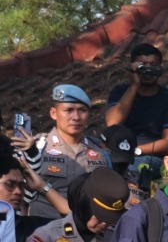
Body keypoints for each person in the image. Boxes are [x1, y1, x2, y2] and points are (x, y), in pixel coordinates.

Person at [16, 84, 111, 218]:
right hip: (42, 229)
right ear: (53, 113)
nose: (76, 117)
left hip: (85, 229)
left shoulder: (101, 153)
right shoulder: (36, 148)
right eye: (69, 110)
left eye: (82, 110)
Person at [104, 44, 168, 161]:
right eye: (143, 66)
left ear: (160, 68)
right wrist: (134, 85)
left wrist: (136, 150)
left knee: (133, 165)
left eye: (153, 65)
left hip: (149, 155)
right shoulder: (120, 92)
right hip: (118, 149)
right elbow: (112, 123)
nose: (148, 70)